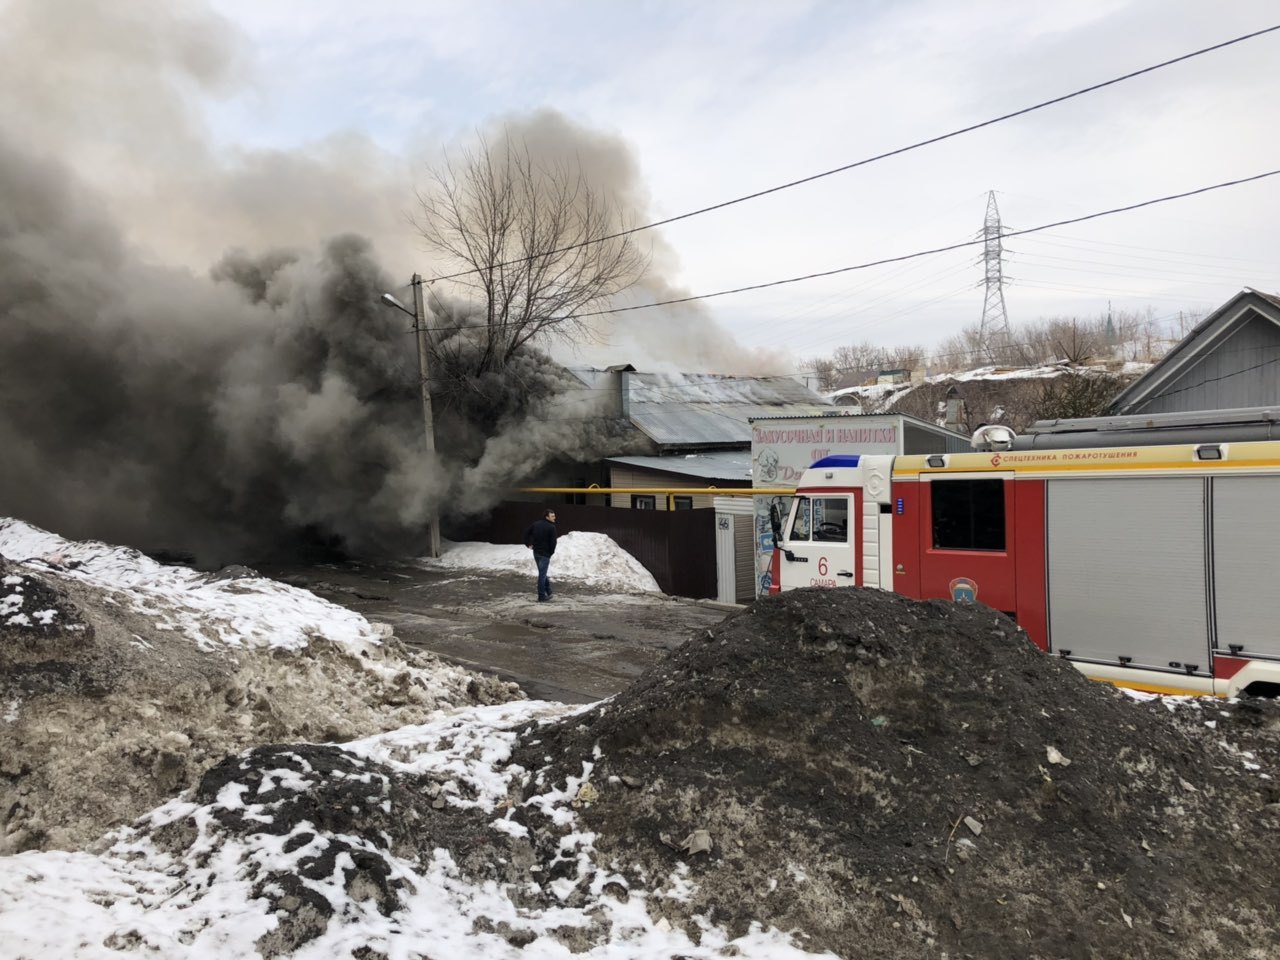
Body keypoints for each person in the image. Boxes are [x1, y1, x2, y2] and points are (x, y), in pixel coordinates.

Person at [524, 508, 558, 602]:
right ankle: (541, 596)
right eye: (552, 516)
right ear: (547, 517)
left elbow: (526, 533)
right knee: (542, 576)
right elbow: (553, 543)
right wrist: (550, 553)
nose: (554, 518)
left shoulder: (536, 524)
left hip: (536, 553)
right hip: (545, 554)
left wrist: (528, 543)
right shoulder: (552, 527)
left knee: (542, 573)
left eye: (554, 515)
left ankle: (549, 591)